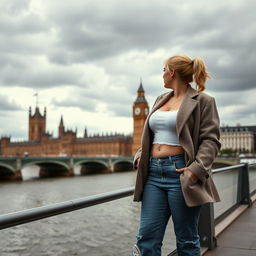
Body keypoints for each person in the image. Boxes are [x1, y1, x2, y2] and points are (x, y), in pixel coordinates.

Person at [132, 55, 221, 256]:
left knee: (187, 240)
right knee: (146, 239)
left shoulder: (203, 101)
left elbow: (211, 140)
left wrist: (195, 171)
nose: (162, 75)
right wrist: (140, 154)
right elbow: (150, 135)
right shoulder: (159, 100)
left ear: (172, 72)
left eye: (164, 69)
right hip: (153, 174)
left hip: (181, 172)